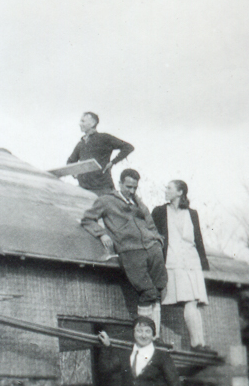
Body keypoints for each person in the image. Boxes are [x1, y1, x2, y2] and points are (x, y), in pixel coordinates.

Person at [81, 169, 167, 334]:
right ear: (119, 183)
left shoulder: (139, 203)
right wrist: (102, 234)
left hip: (152, 249)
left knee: (157, 291)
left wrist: (157, 241)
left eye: (135, 187)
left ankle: (155, 338)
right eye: (128, 186)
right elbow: (87, 219)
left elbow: (151, 225)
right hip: (130, 250)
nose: (132, 191)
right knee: (147, 292)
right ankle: (145, 334)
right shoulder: (106, 200)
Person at [152, 180, 211, 351]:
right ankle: (154, 338)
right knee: (158, 298)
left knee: (191, 302)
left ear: (179, 192)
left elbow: (198, 240)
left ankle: (198, 344)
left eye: (169, 188)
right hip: (170, 261)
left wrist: (204, 265)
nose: (165, 190)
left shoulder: (192, 214)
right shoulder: (159, 211)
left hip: (191, 262)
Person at [66, 112, 135, 196]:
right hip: (84, 189)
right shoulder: (81, 144)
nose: (80, 124)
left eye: (83, 121)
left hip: (102, 189)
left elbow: (128, 147)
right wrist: (75, 174)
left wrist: (112, 162)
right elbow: (70, 161)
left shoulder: (103, 138)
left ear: (92, 123)